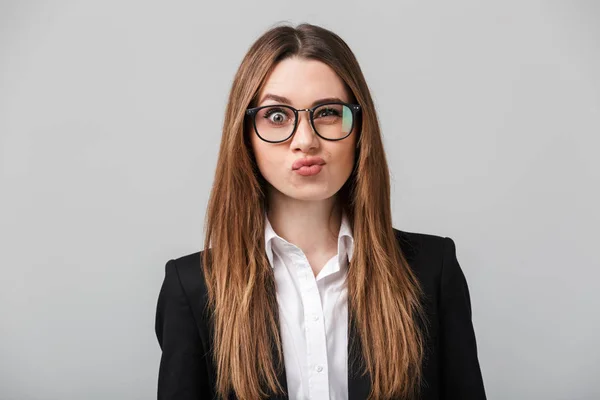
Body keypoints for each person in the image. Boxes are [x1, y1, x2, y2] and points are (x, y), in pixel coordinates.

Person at [154, 22, 487, 400]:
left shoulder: (431, 272)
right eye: (277, 116)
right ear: (245, 134)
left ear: (360, 128)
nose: (306, 141)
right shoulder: (193, 287)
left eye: (328, 112)